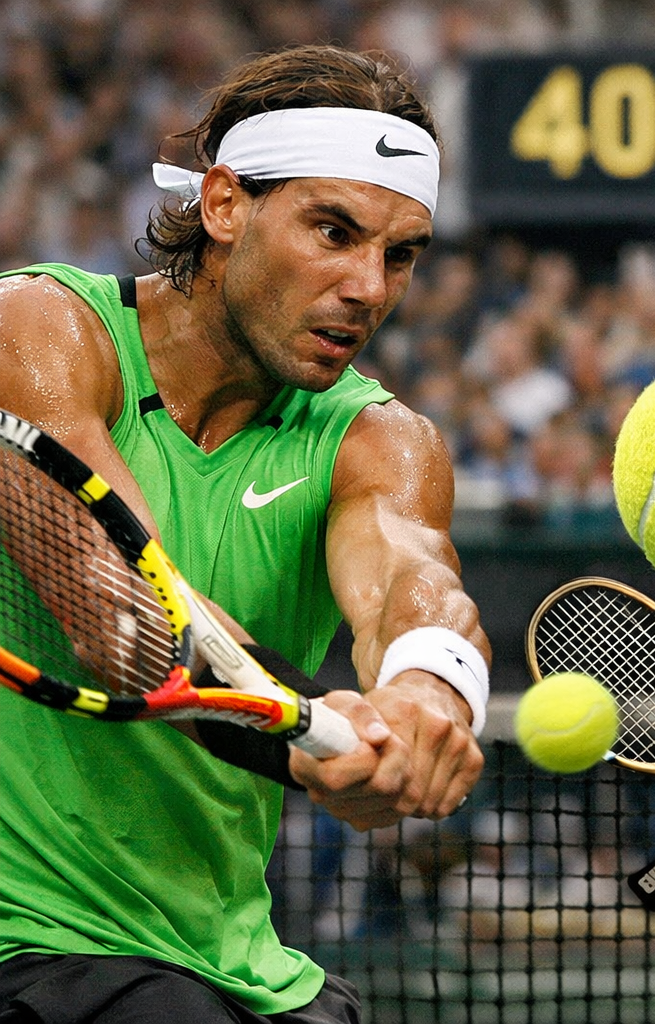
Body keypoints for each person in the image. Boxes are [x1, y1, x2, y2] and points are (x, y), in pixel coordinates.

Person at [0, 45, 489, 1023]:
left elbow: (414, 582)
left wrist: (424, 693)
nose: (369, 287)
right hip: (31, 946)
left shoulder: (384, 441)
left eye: (399, 255)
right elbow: (124, 616)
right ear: (225, 204)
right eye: (334, 231)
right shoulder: (39, 332)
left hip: (240, 968)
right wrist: (305, 735)